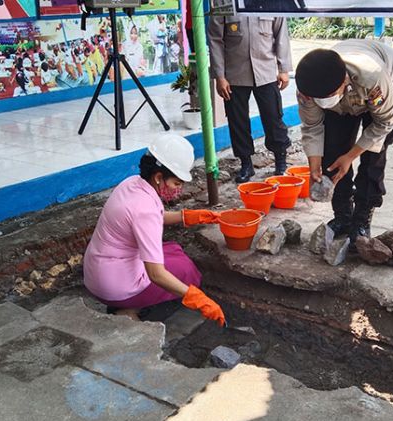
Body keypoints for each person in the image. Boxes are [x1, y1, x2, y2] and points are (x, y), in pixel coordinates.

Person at [83, 135, 226, 325]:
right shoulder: (145, 211)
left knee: (172, 250)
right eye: (176, 183)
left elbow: (151, 216)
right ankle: (127, 308)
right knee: (185, 270)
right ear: (159, 177)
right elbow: (156, 274)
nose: (179, 190)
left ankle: (128, 303)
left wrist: (190, 216)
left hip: (97, 271)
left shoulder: (132, 183)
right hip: (113, 287)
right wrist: (199, 299)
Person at [294, 40, 393, 246]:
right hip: (344, 99)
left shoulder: (372, 77)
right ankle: (343, 216)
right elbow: (312, 126)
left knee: (373, 158)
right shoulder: (308, 87)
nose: (323, 100)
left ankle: (362, 218)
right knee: (332, 153)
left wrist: (350, 156)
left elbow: (384, 123)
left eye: (328, 96)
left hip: (385, 88)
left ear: (344, 81)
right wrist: (314, 165)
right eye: (318, 98)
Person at [208, 15, 293, 183]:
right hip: (234, 73)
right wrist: (220, 76)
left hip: (266, 71)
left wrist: (283, 68)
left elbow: (281, 34)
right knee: (237, 121)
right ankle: (246, 163)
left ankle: (280, 161)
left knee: (273, 117)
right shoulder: (223, 3)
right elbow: (215, 40)